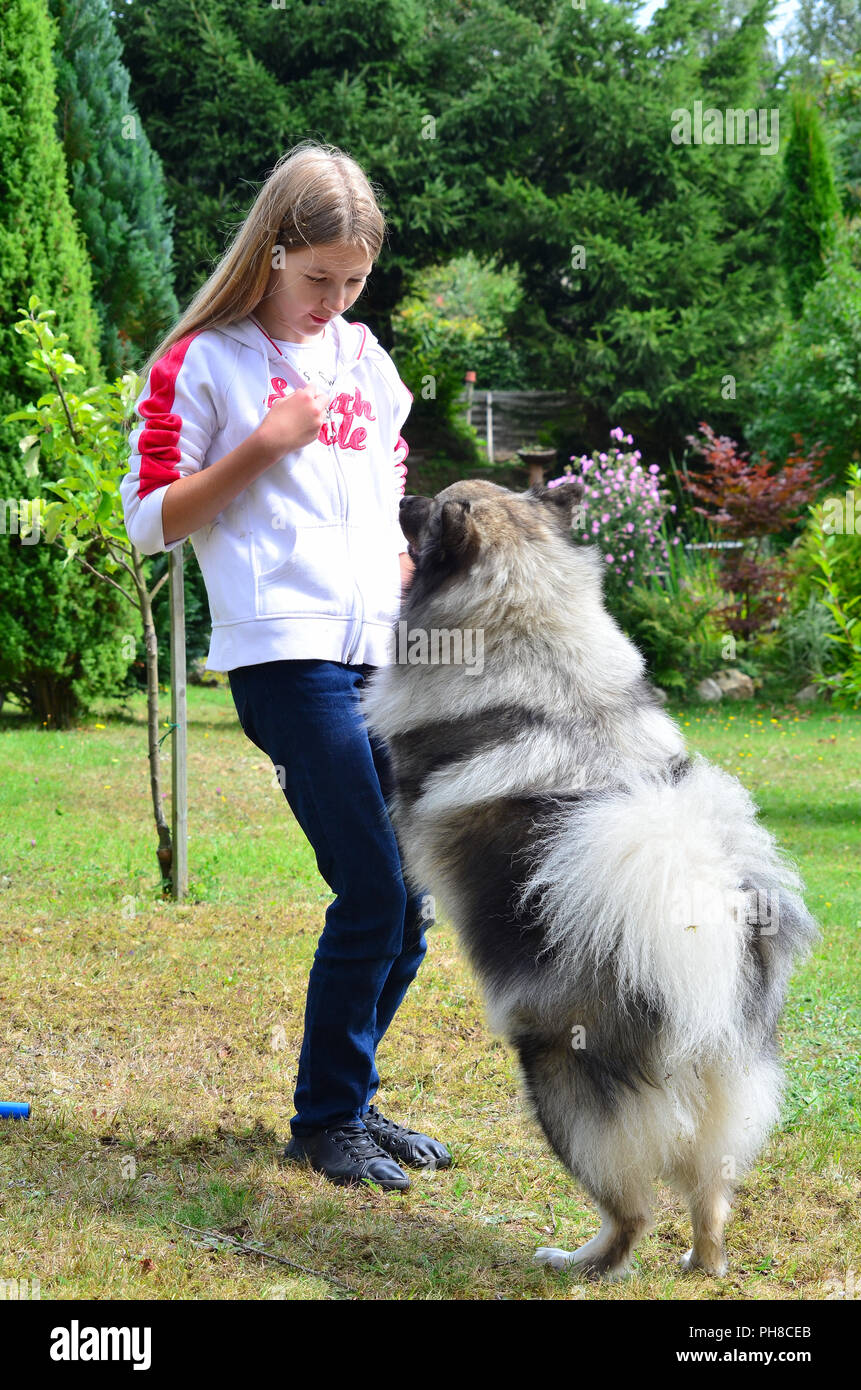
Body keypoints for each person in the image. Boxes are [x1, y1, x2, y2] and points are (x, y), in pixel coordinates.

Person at [120, 140, 450, 1191]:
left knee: (415, 904)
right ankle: (322, 1123)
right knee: (371, 888)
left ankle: (350, 1101)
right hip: (284, 658)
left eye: (354, 283)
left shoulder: (366, 362)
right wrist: (261, 446)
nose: (335, 301)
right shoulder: (203, 360)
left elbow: (387, 499)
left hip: (375, 657)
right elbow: (146, 521)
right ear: (271, 252)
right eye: (319, 280)